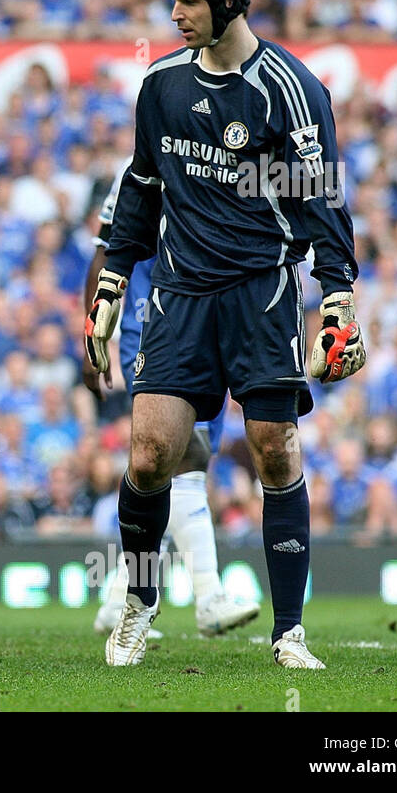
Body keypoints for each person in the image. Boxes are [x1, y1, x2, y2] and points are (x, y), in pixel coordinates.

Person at [85, 0, 364, 669]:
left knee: (275, 451)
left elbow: (319, 198)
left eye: (188, 4)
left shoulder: (288, 89)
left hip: (262, 293)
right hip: (179, 296)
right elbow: (143, 185)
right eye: (172, 2)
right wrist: (115, 276)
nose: (175, 16)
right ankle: (140, 605)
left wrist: (337, 295)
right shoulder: (162, 85)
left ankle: (289, 631)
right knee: (149, 454)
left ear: (229, 5)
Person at [85, 156, 260, 639]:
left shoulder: (227, 159)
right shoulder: (138, 165)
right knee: (186, 454)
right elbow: (104, 249)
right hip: (150, 325)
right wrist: (93, 326)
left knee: (164, 467)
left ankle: (119, 599)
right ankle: (208, 596)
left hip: (211, 323)